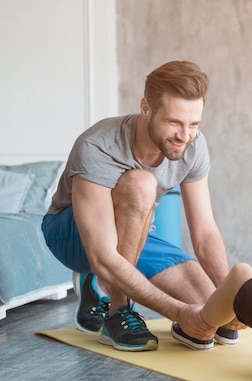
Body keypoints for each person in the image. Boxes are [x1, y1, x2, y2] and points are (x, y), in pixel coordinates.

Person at [42, 60, 241, 352]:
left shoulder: (193, 146)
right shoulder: (98, 145)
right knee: (141, 184)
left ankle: (99, 287)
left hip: (134, 229)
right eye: (174, 122)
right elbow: (104, 257)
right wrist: (176, 311)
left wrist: (230, 297)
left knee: (210, 309)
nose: (184, 136)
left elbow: (205, 233)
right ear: (146, 108)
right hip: (71, 232)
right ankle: (117, 310)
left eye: (194, 124)